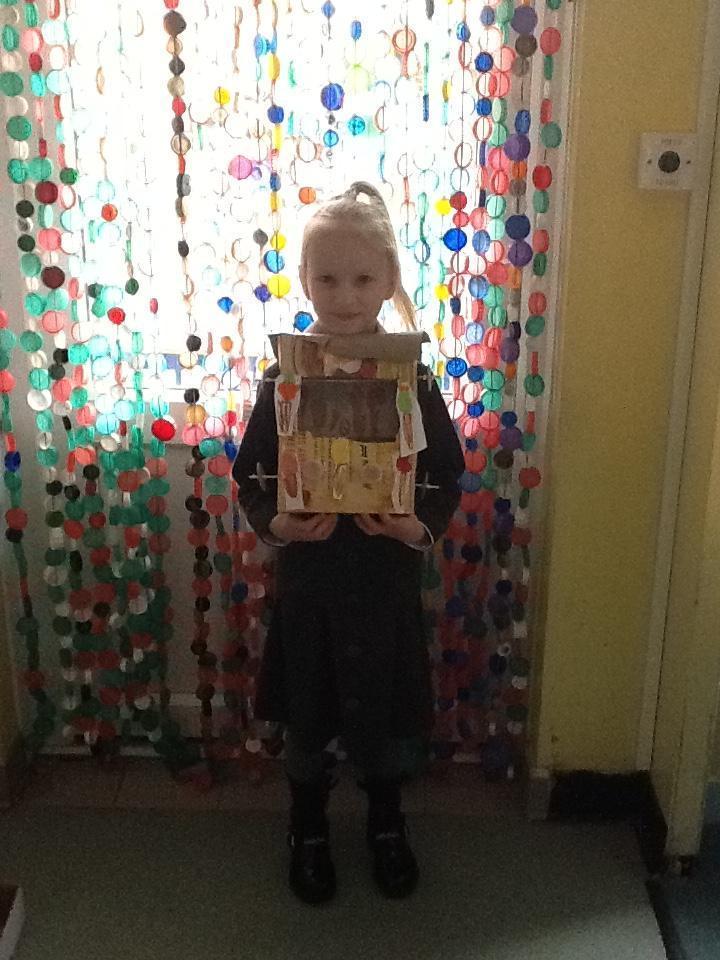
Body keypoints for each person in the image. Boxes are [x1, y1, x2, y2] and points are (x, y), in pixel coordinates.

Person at [233, 181, 464, 904]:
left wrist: (415, 527)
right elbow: (252, 471)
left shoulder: (413, 377)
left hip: (384, 577)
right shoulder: (285, 375)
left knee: (386, 716)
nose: (344, 295)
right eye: (327, 278)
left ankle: (386, 822)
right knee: (309, 713)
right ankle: (307, 826)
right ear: (304, 279)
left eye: (362, 279)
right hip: (311, 581)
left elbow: (445, 470)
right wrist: (277, 523)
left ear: (388, 280)